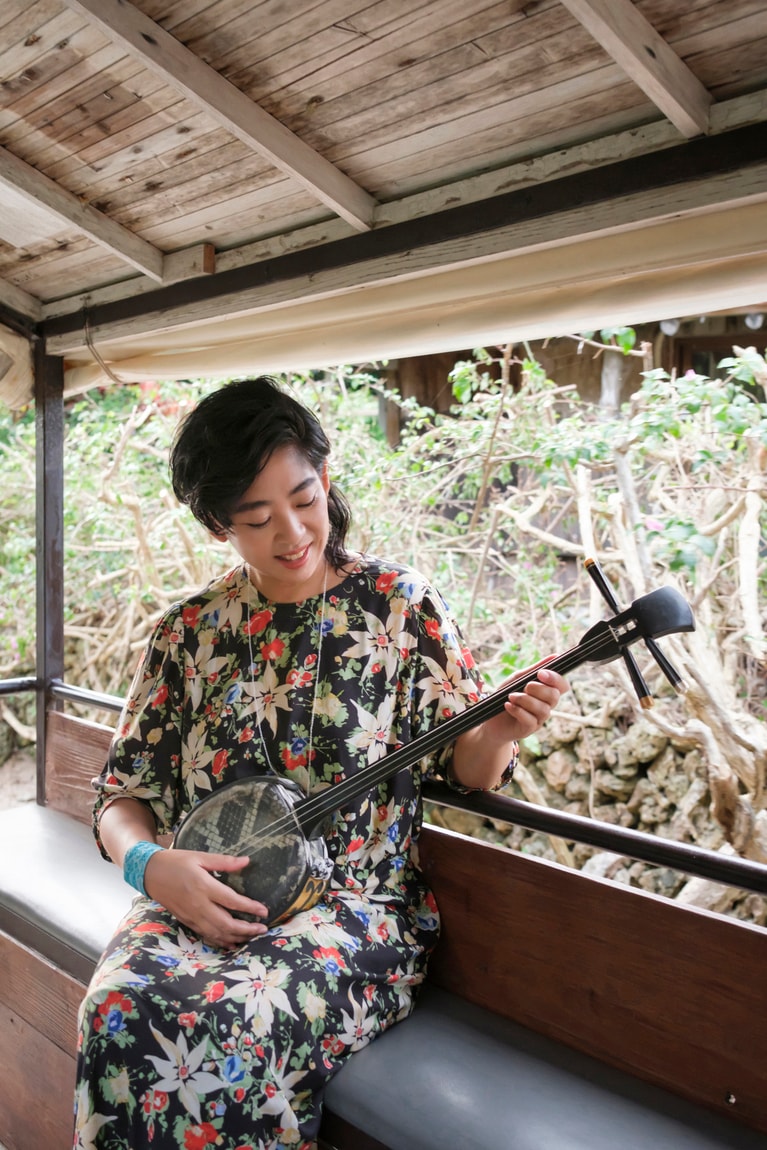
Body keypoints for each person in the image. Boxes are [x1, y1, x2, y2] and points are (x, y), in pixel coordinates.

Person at [74, 376, 568, 1150]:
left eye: (304, 499)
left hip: (353, 911)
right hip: (201, 900)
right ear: (216, 525)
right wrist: (149, 866)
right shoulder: (188, 633)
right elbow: (121, 794)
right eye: (258, 518)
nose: (293, 532)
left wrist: (503, 728)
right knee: (117, 1012)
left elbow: (470, 767)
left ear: (326, 479)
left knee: (227, 1028)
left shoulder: (399, 606)